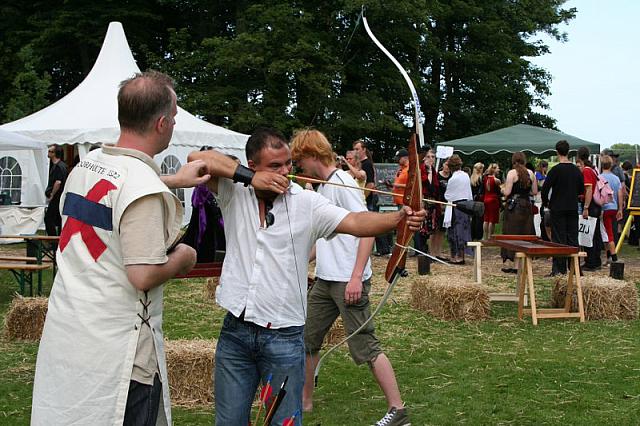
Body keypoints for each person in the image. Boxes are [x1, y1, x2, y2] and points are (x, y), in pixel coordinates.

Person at [188, 128, 425, 426]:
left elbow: (355, 221)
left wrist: (398, 218)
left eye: (288, 163)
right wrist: (249, 178)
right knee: (229, 421)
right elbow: (197, 159)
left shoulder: (306, 202)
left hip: (283, 336)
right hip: (236, 331)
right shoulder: (235, 191)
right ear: (252, 165)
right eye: (275, 166)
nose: (285, 171)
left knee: (284, 422)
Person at [32, 71, 208, 425]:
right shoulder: (141, 188)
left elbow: (115, 189)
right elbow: (142, 275)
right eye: (174, 117)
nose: (174, 124)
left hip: (72, 335)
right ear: (161, 123)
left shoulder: (87, 166)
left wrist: (173, 180)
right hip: (119, 355)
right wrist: (183, 258)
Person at [290, 129, 409, 426]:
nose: (297, 166)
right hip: (326, 280)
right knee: (307, 340)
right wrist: (297, 261)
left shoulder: (342, 182)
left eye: (299, 159)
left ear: (312, 154)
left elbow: (366, 230)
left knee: (366, 346)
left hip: (347, 281)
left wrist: (356, 277)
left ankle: (397, 410)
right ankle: (304, 402)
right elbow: (325, 236)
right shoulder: (324, 187)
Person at [541, 140, 584, 276]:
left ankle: (559, 270)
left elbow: (545, 189)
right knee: (573, 237)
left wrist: (546, 202)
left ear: (557, 152)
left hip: (557, 207)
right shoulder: (576, 170)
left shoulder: (555, 170)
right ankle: (574, 269)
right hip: (572, 206)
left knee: (558, 239)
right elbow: (581, 189)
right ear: (568, 151)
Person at [501, 152, 538, 273]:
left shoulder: (512, 173)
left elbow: (507, 192)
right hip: (526, 206)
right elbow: (534, 191)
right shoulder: (531, 173)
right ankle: (519, 265)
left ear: (513, 161)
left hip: (514, 207)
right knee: (524, 234)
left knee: (512, 234)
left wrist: (502, 189)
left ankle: (513, 264)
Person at [576, 146, 603, 270]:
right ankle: (596, 261)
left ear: (579, 156)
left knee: (589, 233)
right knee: (595, 233)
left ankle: (591, 262)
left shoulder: (586, 170)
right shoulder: (593, 169)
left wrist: (586, 207)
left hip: (590, 205)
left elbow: (589, 189)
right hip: (595, 205)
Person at [443, 155, 472, 264]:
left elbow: (448, 195)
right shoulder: (466, 175)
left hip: (456, 207)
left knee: (455, 231)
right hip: (466, 206)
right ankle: (461, 255)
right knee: (463, 230)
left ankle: (456, 256)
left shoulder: (453, 179)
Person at [600, 155, 624, 265]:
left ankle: (613, 257)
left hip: (604, 208)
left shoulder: (599, 177)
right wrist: (620, 209)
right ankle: (609, 256)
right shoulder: (616, 178)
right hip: (614, 208)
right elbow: (620, 194)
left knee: (607, 234)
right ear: (611, 165)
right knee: (611, 232)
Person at [419, 149, 441, 250]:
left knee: (430, 226)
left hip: (432, 201)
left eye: (433, 157)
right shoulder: (422, 169)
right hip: (423, 200)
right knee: (422, 226)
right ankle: (421, 250)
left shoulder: (433, 170)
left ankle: (426, 250)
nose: (431, 159)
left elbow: (435, 187)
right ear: (424, 158)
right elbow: (427, 183)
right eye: (428, 156)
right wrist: (429, 171)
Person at [44, 144, 68, 236]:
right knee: (58, 219)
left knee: (49, 218)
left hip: (57, 197)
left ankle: (53, 240)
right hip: (59, 197)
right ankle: (58, 239)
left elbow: (58, 182)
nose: (48, 153)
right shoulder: (61, 165)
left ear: (54, 153)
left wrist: (52, 195)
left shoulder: (59, 166)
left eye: (50, 151)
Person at [432, 159, 451, 260]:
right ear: (443, 164)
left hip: (448, 205)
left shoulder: (452, 177)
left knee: (442, 230)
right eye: (446, 164)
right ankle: (432, 252)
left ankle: (439, 252)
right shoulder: (437, 175)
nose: (447, 167)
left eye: (449, 165)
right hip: (437, 204)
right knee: (435, 230)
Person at [482, 163, 501, 240]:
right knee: (492, 220)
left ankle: (484, 237)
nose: (499, 169)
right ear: (493, 170)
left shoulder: (485, 178)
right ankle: (490, 236)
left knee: (486, 219)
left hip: (486, 199)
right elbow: (500, 190)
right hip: (493, 199)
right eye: (497, 168)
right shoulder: (497, 180)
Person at [470, 162, 485, 240]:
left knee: (474, 218)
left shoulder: (471, 178)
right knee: (479, 219)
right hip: (480, 200)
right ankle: (479, 235)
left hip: (473, 199)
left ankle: (472, 235)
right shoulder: (481, 178)